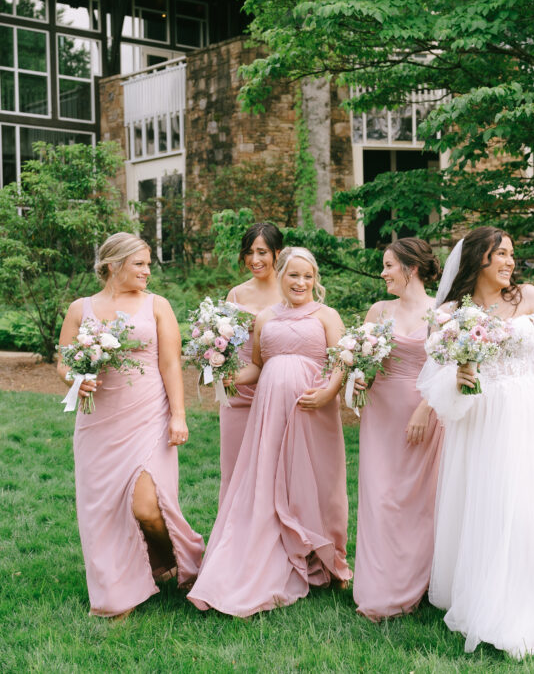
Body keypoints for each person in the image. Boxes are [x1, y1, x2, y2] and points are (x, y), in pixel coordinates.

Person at [417, 226, 534, 658]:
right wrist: (459, 376)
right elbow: (436, 382)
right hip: (483, 421)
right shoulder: (450, 312)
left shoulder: (529, 297)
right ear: (478, 259)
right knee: (494, 507)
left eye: (511, 254)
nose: (509, 262)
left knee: (533, 508)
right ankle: (495, 599)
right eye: (500, 254)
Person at [187, 246, 353, 616]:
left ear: (315, 280)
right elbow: (258, 366)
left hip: (313, 410)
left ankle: (329, 559)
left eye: (308, 276)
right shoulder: (265, 318)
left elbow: (341, 358)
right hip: (270, 413)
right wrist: (226, 374)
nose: (301, 282)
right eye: (294, 275)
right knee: (271, 480)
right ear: (281, 276)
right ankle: (273, 554)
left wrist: (328, 391)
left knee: (320, 481)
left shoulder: (327, 315)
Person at [57, 232, 204, 616]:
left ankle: (174, 559)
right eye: (139, 263)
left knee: (147, 507)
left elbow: (171, 363)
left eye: (148, 263)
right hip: (98, 422)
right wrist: (76, 377)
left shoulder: (157, 305)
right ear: (112, 265)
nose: (147, 270)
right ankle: (115, 593)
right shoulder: (80, 308)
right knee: (101, 509)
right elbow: (63, 361)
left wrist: (178, 415)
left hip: (148, 416)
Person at [352, 238, 444, 620]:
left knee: (416, 500)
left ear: (412, 268)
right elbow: (364, 360)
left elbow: (449, 368)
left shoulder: (442, 311)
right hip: (382, 411)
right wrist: (359, 378)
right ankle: (378, 587)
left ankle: (414, 584)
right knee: (379, 497)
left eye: (389, 266)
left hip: (424, 411)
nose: (383, 273)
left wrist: (425, 408)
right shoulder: (378, 310)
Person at [219, 223, 283, 504]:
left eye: (262, 252)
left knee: (274, 467)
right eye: (249, 252)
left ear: (277, 253)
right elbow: (222, 342)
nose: (254, 260)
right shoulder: (235, 295)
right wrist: (218, 366)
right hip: (238, 390)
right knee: (234, 467)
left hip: (279, 387)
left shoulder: (291, 289)